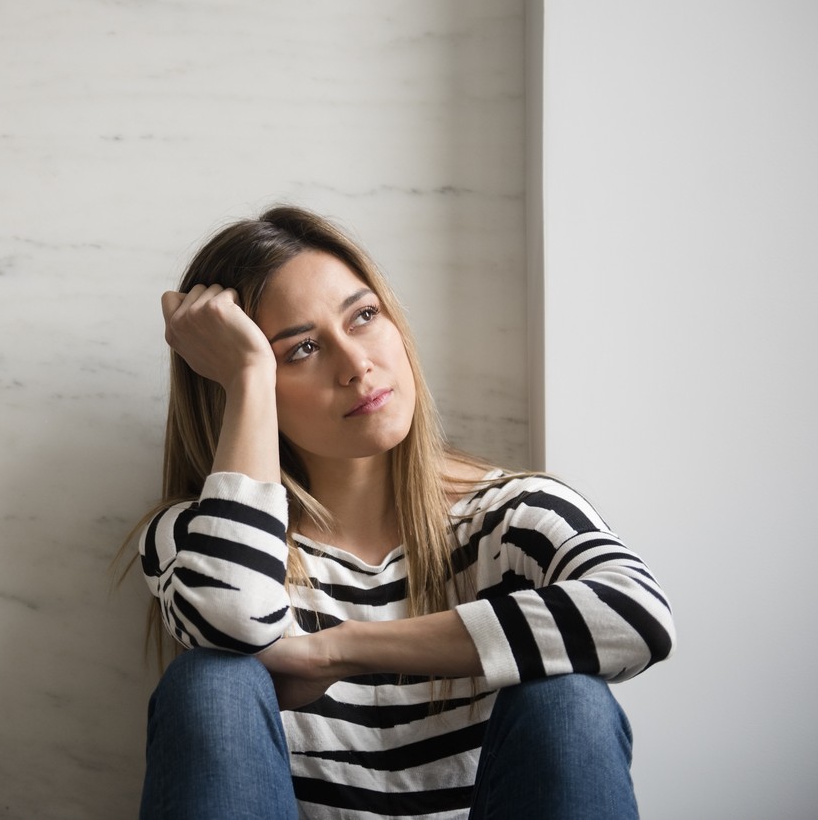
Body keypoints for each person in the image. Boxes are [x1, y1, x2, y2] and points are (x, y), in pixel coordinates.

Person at [126, 206, 674, 820]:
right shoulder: (196, 538)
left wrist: (341, 650)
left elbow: (638, 614)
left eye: (363, 316)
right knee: (212, 683)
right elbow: (232, 622)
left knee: (569, 700)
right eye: (301, 348)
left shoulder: (511, 516)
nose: (355, 365)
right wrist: (249, 376)